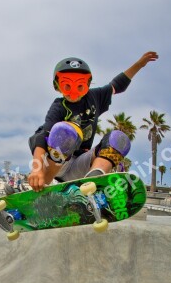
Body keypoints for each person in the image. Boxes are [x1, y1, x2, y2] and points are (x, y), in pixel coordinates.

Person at [22, 52, 158, 193]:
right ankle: (42, 187)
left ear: (87, 84)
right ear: (58, 86)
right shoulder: (58, 107)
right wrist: (37, 170)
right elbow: (41, 138)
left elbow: (118, 85)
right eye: (67, 87)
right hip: (55, 166)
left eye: (80, 86)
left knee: (119, 139)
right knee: (66, 131)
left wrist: (139, 64)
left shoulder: (94, 97)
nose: (74, 93)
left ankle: (92, 183)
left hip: (81, 164)